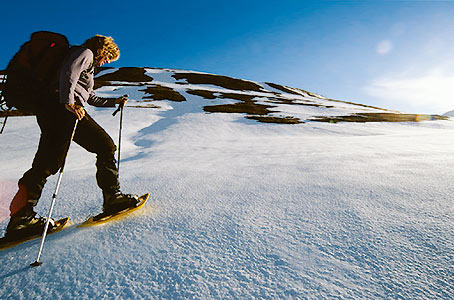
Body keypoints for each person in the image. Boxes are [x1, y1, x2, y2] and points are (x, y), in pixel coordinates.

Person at [4, 35, 139, 237]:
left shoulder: (85, 61)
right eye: (108, 57)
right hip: (63, 110)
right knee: (103, 147)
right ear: (103, 50)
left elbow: (88, 96)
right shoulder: (85, 53)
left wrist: (114, 101)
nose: (105, 62)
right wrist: (69, 103)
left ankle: (21, 218)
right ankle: (113, 198)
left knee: (47, 163)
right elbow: (68, 74)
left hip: (54, 109)